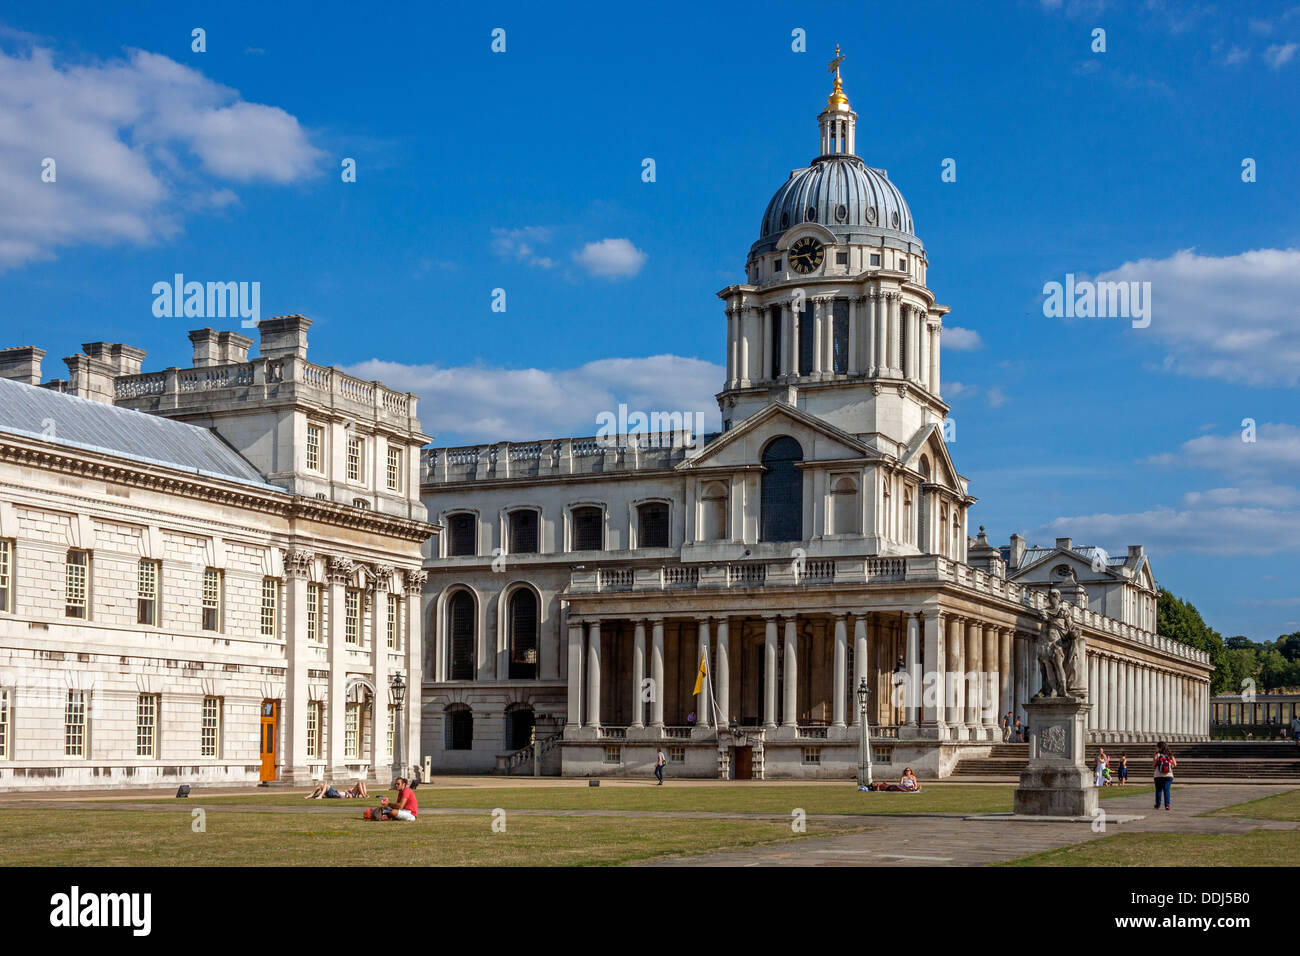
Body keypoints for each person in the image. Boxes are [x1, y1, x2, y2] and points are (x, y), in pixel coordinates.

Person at [1153, 741, 1176, 810]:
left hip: (1158, 775)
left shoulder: (1157, 754)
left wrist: (1158, 763)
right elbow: (1175, 764)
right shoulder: (1170, 754)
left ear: (1159, 747)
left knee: (1159, 790)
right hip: (1168, 775)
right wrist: (1169, 767)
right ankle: (1167, 805)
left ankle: (1158, 805)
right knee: (1166, 790)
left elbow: (1154, 765)